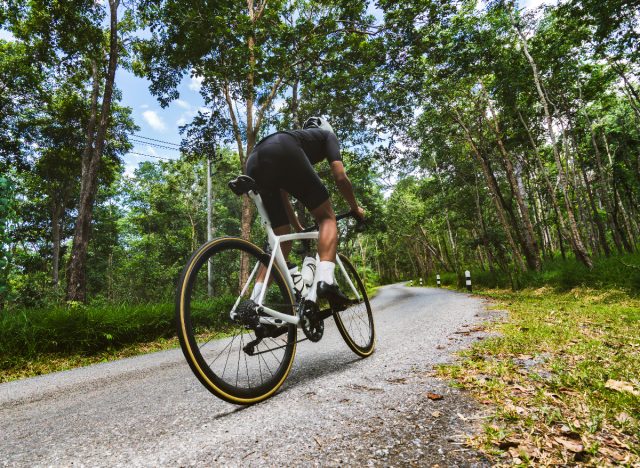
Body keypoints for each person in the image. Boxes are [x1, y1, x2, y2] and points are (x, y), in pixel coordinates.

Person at [246, 116, 365, 307]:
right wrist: (354, 207)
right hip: (282, 148)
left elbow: (283, 195)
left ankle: (254, 302)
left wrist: (298, 227)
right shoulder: (327, 136)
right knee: (327, 218)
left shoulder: (300, 142)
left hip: (253, 162)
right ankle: (325, 280)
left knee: (281, 240)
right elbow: (340, 177)